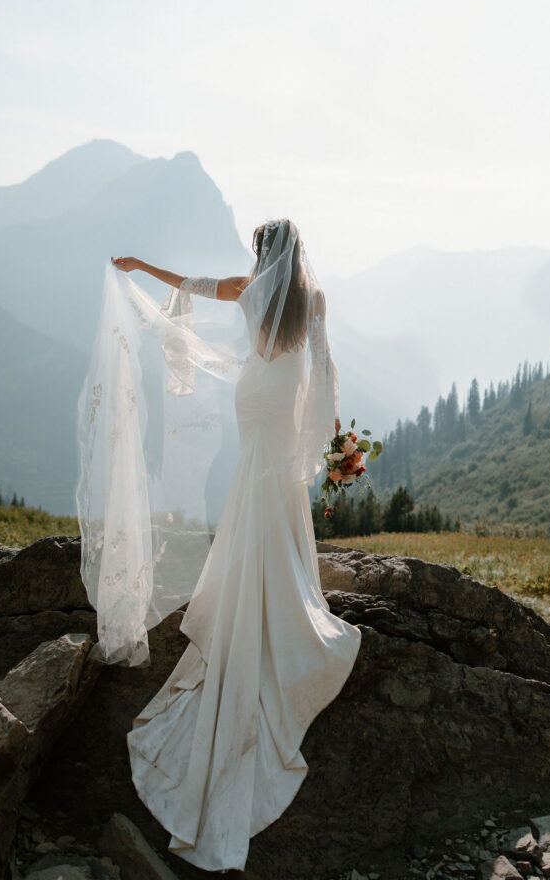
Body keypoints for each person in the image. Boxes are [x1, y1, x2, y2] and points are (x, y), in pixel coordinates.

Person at [77, 218, 361, 873]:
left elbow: (191, 285)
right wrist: (335, 436)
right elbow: (323, 367)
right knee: (276, 484)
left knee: (254, 478)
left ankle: (252, 575)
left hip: (252, 394)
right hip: (283, 397)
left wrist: (141, 266)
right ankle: (281, 576)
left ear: (264, 252)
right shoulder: (313, 299)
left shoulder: (247, 288)